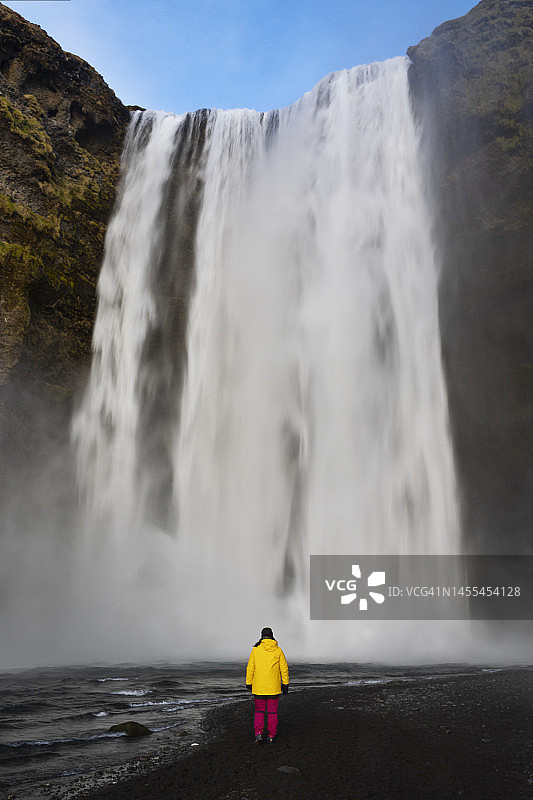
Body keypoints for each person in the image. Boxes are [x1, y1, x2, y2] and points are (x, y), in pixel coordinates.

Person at [245, 626, 289, 743]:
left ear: (262, 636)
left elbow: (250, 668)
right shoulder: (278, 650)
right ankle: (271, 736)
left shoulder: (255, 650)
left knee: (259, 711)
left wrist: (248, 682)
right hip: (273, 688)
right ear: (272, 635)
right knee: (272, 712)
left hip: (259, 687)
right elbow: (284, 669)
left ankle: (258, 734)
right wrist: (285, 684)